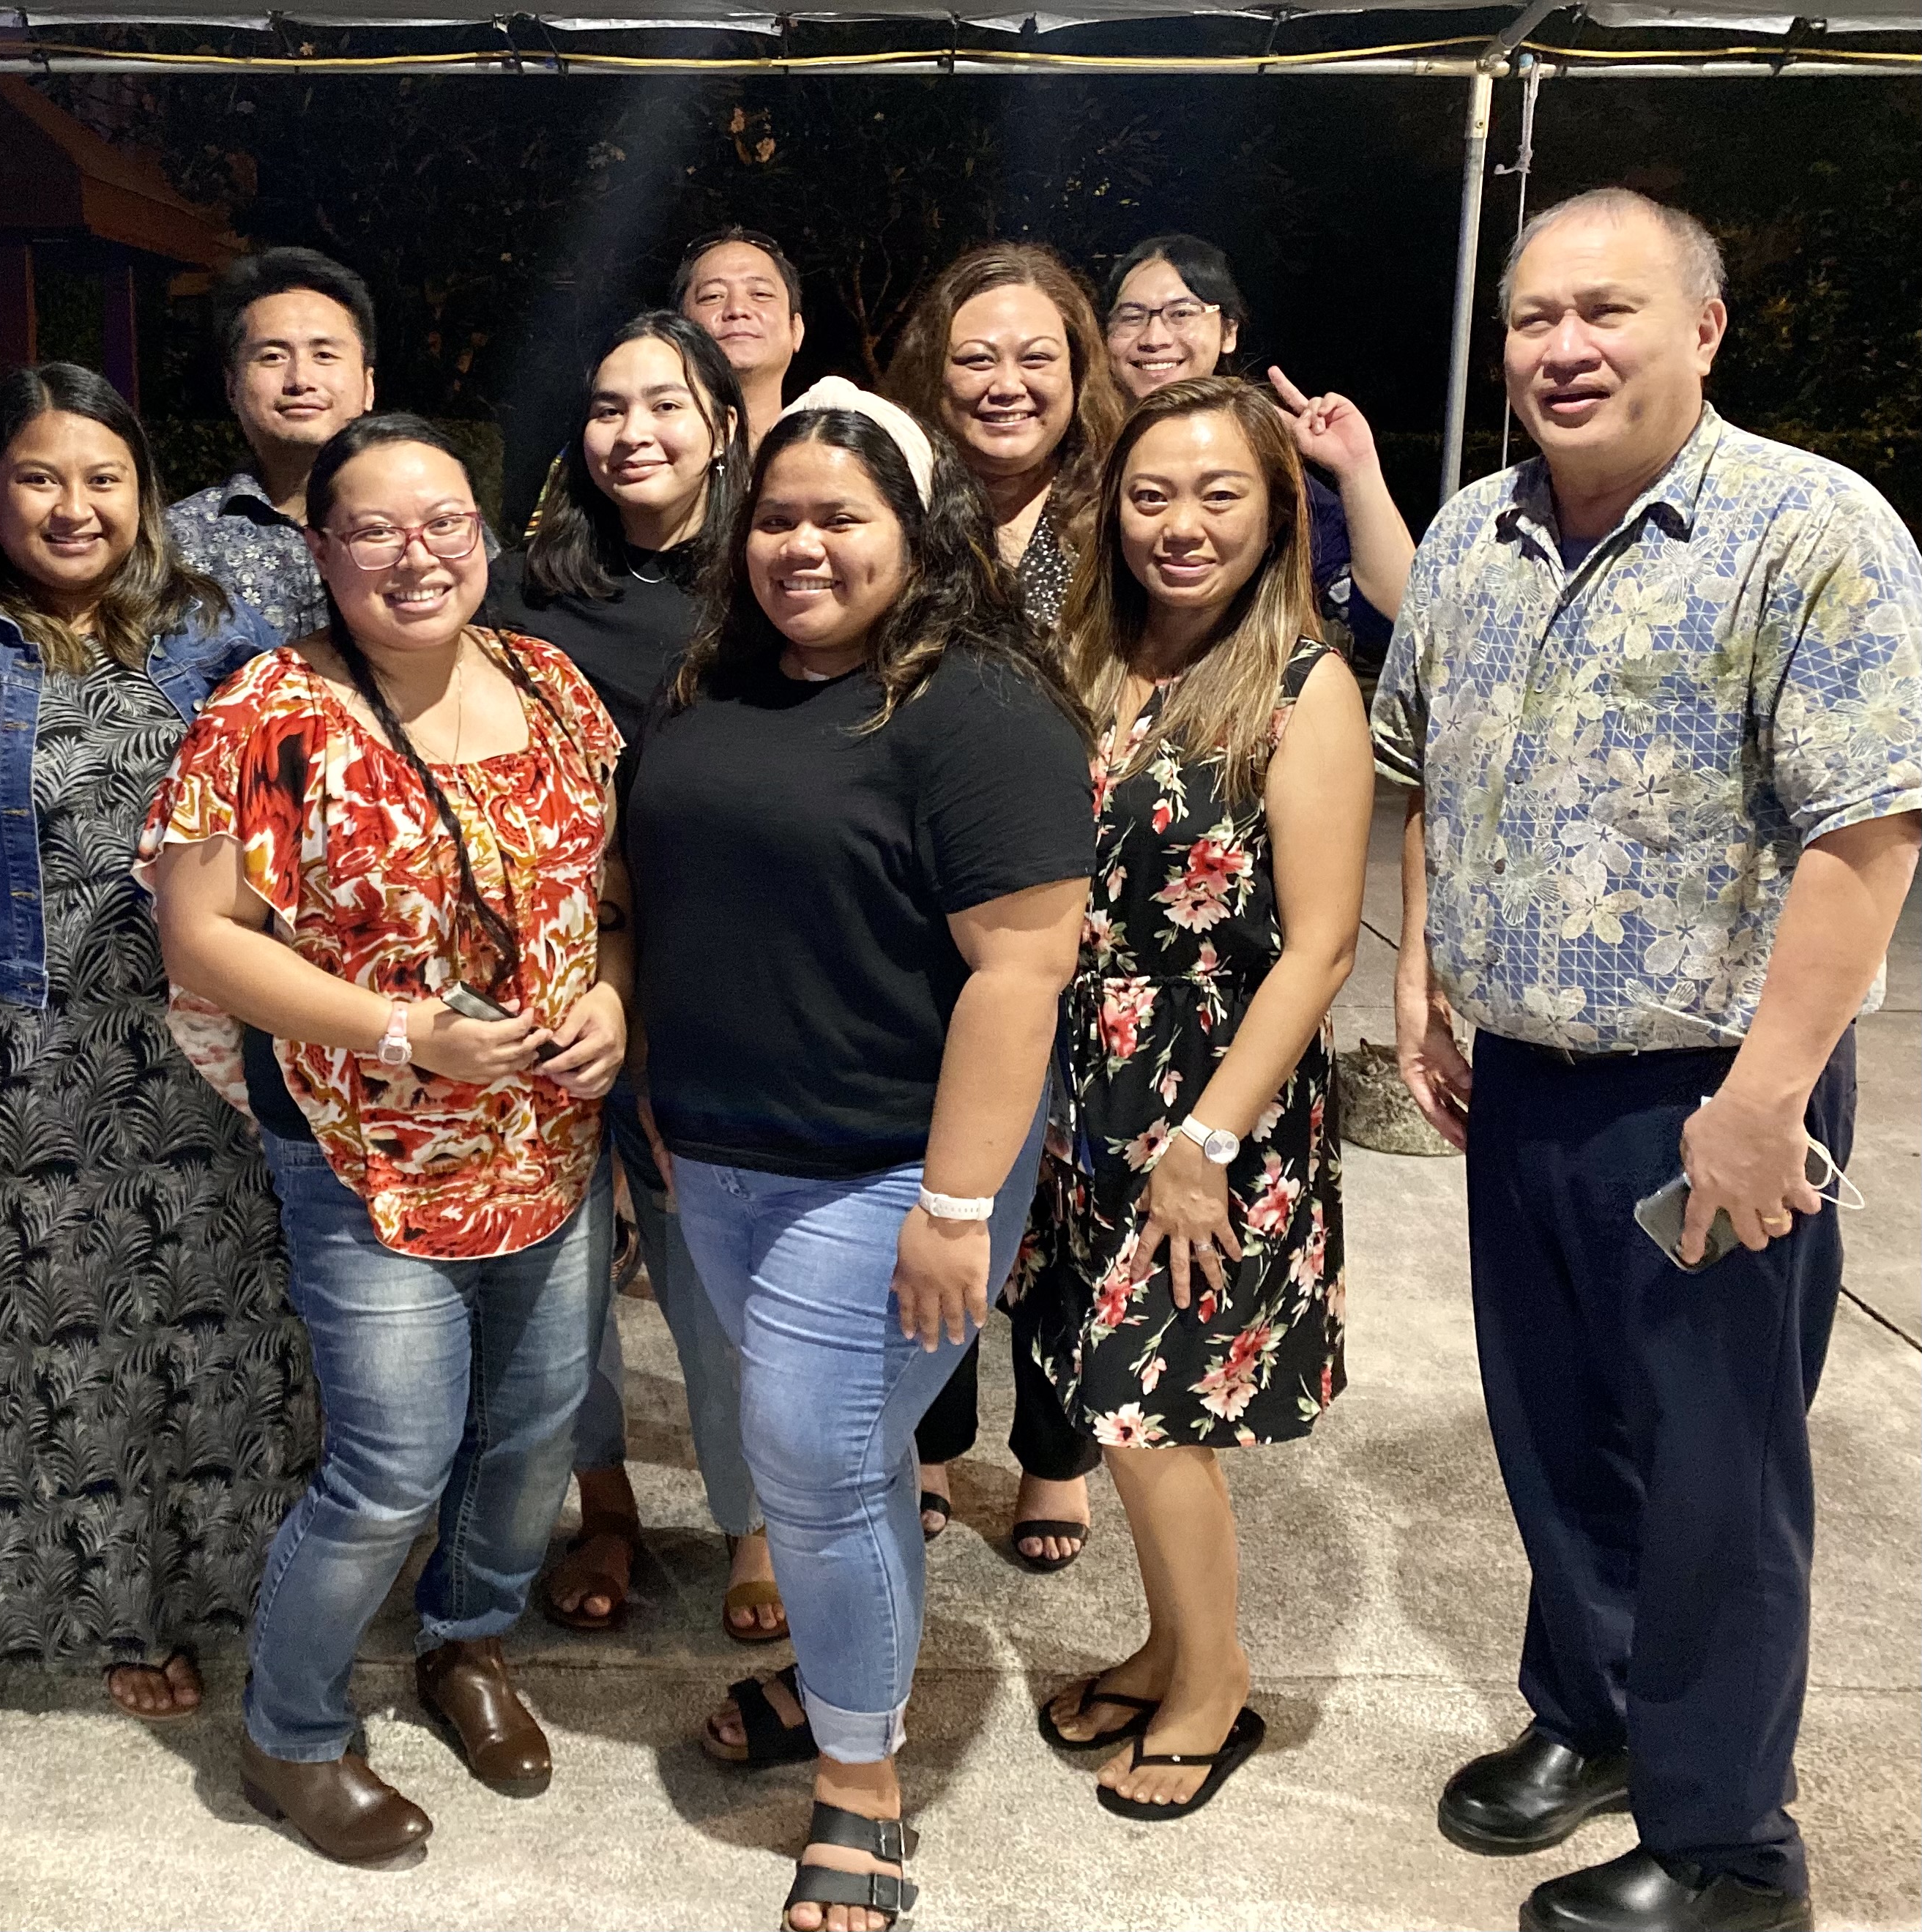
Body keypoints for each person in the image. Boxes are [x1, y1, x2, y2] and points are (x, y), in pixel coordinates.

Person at [1380, 187, 1921, 1932]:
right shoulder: (1470, 533)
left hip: (1708, 1095)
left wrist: (1762, 1105)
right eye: (1532, 318)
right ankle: (1593, 1718)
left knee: (1708, 1469)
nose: (1560, 347)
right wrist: (1420, 985)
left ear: (1700, 327)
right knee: (1555, 1437)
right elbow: (1426, 766)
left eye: (1602, 312)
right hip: (1520, 1082)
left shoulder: (1804, 529)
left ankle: (1725, 1842)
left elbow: (1863, 836)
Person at [627, 381, 1093, 1932]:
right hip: (721, 1153)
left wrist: (958, 1202)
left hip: (893, 1165)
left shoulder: (973, 703)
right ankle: (848, 1680)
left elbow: (1020, 968)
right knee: (843, 1463)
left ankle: (860, 1783)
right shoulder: (721, 683)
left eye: (841, 517)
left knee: (810, 1463)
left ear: (918, 531)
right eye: (773, 517)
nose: (800, 545)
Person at [148, 414, 627, 1865]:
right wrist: (401, 1032)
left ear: (479, 531)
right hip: (364, 1147)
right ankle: (286, 1728)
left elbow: (609, 899)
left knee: (531, 1427)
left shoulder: (551, 686)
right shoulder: (269, 710)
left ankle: (464, 1640)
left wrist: (614, 994)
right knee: (391, 1459)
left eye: (441, 521)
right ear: (321, 548)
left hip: (546, 1136)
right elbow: (198, 939)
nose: (413, 554)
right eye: (373, 528)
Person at [0, 363, 307, 1726]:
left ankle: (247, 1590)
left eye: (105, 476)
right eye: (39, 475)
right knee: (53, 1351)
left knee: (223, 1335)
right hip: (16, 1062)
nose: (73, 505)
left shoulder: (217, 636)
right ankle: (108, 1608)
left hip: (204, 1051)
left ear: (145, 493)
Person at [1029, 376, 1369, 1821]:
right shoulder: (1094, 655)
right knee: (1115, 1398)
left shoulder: (1303, 683)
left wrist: (1204, 1137)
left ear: (1274, 510)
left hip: (1212, 1116)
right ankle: (1167, 1641)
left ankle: (1213, 1683)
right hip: (1091, 1096)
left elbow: (1321, 942)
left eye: (1217, 493)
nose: (1179, 524)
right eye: (1150, 493)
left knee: (1143, 1406)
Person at [484, 311, 781, 1641]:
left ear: (724, 424)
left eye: (667, 404)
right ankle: (603, 1503)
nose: (635, 433)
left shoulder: (769, 580)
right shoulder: (523, 589)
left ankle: (753, 1522)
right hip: (544, 992)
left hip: (712, 987)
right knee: (559, 1274)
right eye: (609, 406)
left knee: (713, 1277)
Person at [883, 240, 1128, 1571]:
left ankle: (1055, 1450)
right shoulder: (908, 503)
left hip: (1095, 889)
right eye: (977, 353)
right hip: (937, 885)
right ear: (937, 370)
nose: (1006, 380)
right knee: (950, 1169)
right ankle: (931, 1435)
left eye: (1037, 353)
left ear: (1078, 370)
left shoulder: (1115, 508)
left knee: (1072, 1191)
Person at [1102, 233, 1414, 667]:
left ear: (1228, 330)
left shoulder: (1259, 460)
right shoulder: (1080, 454)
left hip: (1231, 698)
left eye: (1182, 313)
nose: (1154, 337)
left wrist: (1356, 468)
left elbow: (1399, 616)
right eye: (1131, 317)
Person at [165, 247, 378, 640]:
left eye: (324, 354)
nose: (300, 380)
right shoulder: (174, 544)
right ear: (231, 387)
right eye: (273, 356)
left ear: (368, 386)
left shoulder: (432, 526)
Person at [675, 226, 807, 444]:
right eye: (712, 296)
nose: (737, 310)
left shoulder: (841, 451)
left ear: (796, 330)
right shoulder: (647, 456)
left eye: (760, 294)